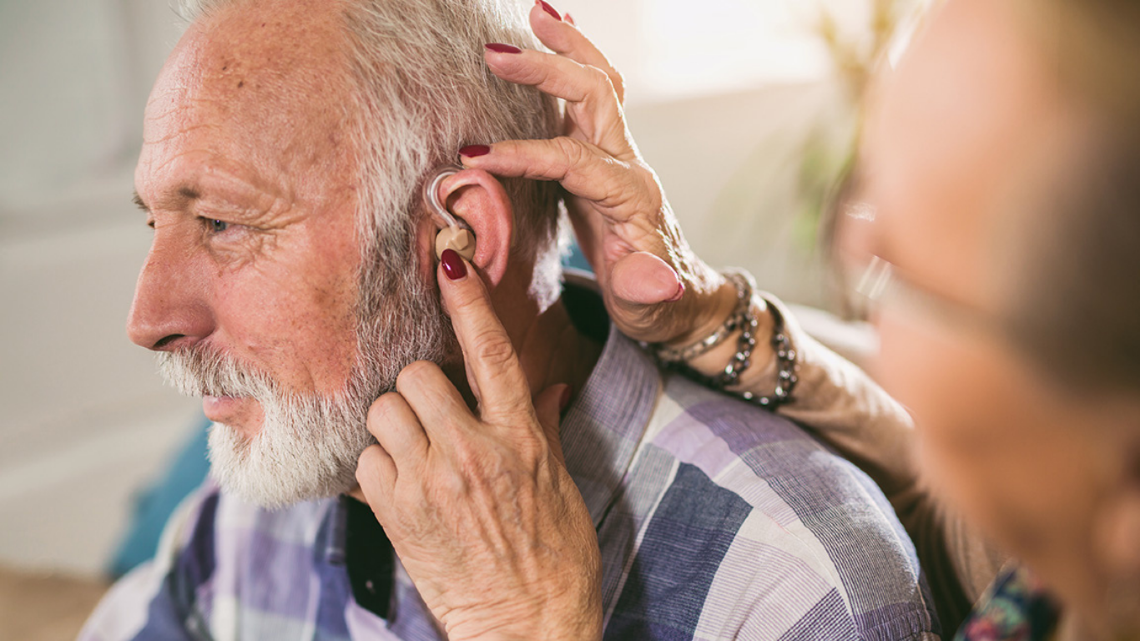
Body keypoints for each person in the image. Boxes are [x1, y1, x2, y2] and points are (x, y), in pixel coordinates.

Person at [79, 0, 940, 639]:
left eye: (223, 222)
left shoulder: (790, 583)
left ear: (460, 234)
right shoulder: (253, 504)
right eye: (156, 222)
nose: (148, 317)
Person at [367, 0, 1140, 639]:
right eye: (859, 190)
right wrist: (701, 312)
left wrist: (531, 625)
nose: (847, 246)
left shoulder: (807, 581)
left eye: (892, 268)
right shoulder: (1058, 567)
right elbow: (958, 511)